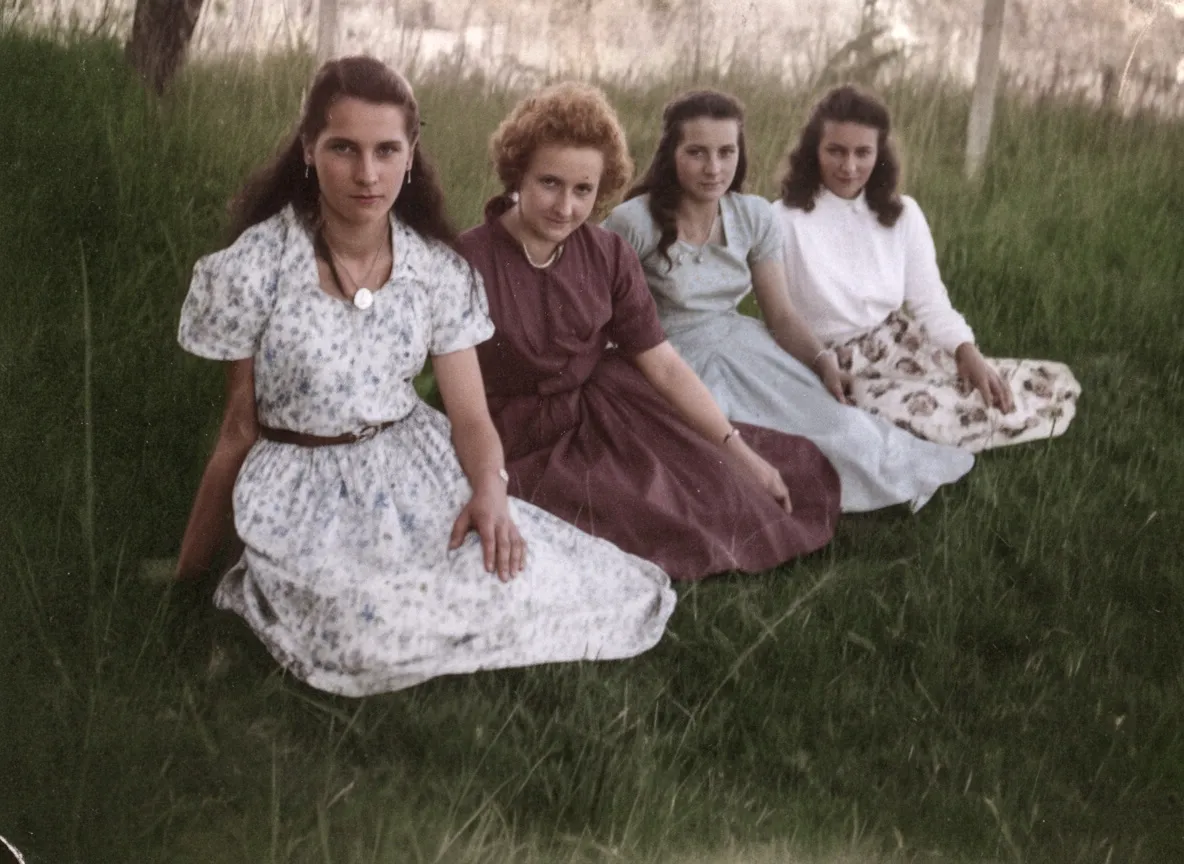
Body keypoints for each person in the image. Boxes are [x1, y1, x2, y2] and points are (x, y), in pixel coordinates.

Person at [174, 57, 675, 697]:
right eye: (343, 148)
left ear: (411, 155)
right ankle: (273, 592)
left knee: (517, 579)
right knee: (360, 627)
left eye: (387, 150)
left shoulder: (436, 269)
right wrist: (189, 574)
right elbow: (237, 431)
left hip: (415, 471)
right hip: (303, 491)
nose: (367, 173)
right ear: (307, 150)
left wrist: (490, 492)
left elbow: (469, 417)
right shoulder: (256, 267)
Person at [457, 82, 841, 582]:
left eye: (583, 190)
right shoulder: (467, 261)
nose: (566, 208)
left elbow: (661, 363)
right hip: (515, 433)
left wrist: (739, 450)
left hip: (608, 407)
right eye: (549, 183)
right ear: (517, 175)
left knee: (715, 495)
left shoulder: (607, 254)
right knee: (628, 522)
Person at [604, 89, 974, 513]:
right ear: (671, 154)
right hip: (670, 362)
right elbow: (606, 317)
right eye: (697, 153)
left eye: (727, 152)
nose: (714, 168)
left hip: (744, 348)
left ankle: (875, 485)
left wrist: (821, 361)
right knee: (735, 450)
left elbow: (780, 315)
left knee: (842, 430)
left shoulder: (753, 216)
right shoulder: (632, 222)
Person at [773, 85, 1081, 451]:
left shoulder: (902, 214)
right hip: (826, 360)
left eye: (863, 152)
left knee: (991, 393)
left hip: (899, 343)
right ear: (813, 151)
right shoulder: (781, 219)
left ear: (880, 153)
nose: (849, 166)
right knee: (909, 419)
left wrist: (967, 350)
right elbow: (776, 311)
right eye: (835, 151)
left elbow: (930, 301)